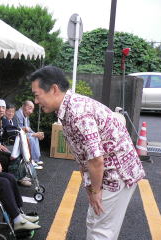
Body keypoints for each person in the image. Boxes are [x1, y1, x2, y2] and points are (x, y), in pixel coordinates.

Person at [29, 65, 145, 240]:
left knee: (101, 231)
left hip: (116, 174)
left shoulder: (77, 113)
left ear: (53, 89)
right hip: (109, 172)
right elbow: (86, 156)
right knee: (96, 223)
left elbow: (96, 159)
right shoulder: (69, 107)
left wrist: (96, 191)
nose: (36, 101)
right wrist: (92, 188)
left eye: (37, 95)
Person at [15, 100, 44, 170]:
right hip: (17, 135)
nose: (31, 111)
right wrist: (34, 134)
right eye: (29, 108)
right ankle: (31, 161)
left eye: (32, 109)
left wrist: (36, 133)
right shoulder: (17, 115)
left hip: (23, 134)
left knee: (35, 136)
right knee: (31, 138)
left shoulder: (25, 115)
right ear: (23, 106)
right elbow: (20, 129)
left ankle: (35, 159)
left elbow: (28, 128)